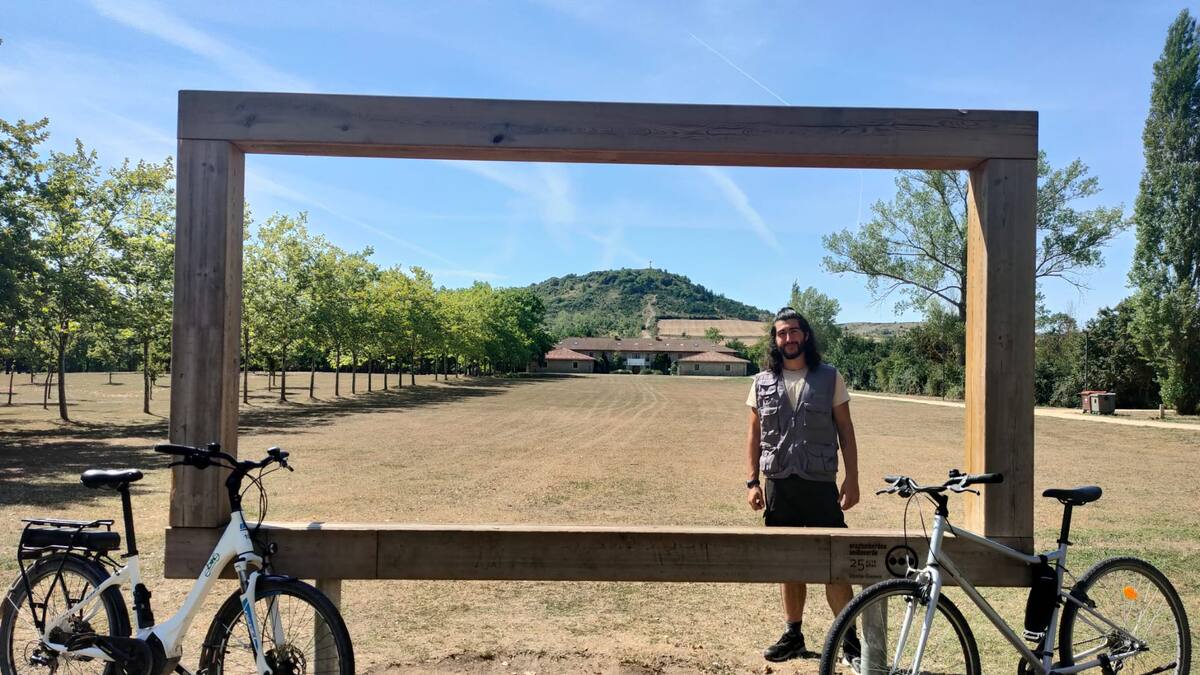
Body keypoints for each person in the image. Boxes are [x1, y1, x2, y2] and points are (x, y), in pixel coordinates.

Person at [745, 307, 861, 663]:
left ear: (805, 335)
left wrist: (853, 478)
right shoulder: (761, 381)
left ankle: (850, 641)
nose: (788, 338)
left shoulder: (830, 377)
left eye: (794, 331)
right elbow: (754, 434)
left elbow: (846, 429)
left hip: (820, 483)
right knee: (789, 561)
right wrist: (752, 481)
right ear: (775, 339)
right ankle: (793, 635)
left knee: (834, 563)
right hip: (779, 484)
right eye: (782, 333)